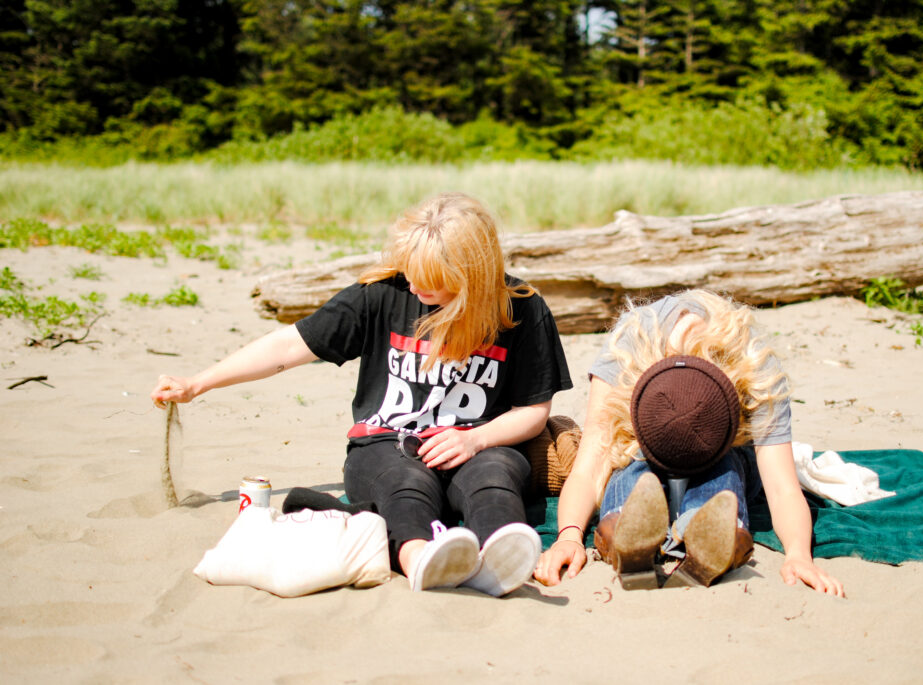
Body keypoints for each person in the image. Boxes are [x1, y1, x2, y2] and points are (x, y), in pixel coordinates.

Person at [152, 192, 573, 596]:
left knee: (493, 479)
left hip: (482, 442)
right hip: (386, 443)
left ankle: (502, 558)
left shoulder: (522, 307)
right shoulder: (381, 294)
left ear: (472, 277)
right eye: (410, 271)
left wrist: (475, 438)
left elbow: (534, 410)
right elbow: (287, 347)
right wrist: (198, 383)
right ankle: (420, 560)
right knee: (403, 485)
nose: (413, 286)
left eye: (432, 282)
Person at [533, 289, 844, 596]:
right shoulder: (630, 345)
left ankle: (712, 535)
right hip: (640, 447)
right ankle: (624, 529)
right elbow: (591, 464)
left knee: (726, 465)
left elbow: (781, 485)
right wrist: (569, 536)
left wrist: (798, 555)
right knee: (632, 458)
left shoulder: (752, 362)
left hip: (726, 452)